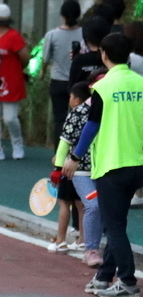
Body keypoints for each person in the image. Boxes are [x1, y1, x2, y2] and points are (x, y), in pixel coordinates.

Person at [67, 34, 143, 297]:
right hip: (139, 163)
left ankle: (127, 282)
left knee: (114, 227)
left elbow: (93, 125)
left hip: (112, 165)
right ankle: (103, 277)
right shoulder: (141, 83)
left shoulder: (103, 86)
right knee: (117, 223)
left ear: (103, 55)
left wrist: (74, 157)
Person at [56, 82, 102, 267]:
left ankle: (83, 241)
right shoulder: (79, 113)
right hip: (79, 170)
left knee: (88, 206)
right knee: (92, 204)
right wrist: (59, 168)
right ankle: (90, 248)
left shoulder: (115, 109)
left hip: (106, 167)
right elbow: (65, 142)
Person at [0, 4, 27, 161]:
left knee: (10, 117)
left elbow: (25, 57)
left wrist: (16, 70)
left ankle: (17, 144)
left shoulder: (14, 36)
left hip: (12, 81)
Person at [41, 0, 84, 142]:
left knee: (60, 120)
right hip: (79, 82)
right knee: (80, 118)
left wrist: (42, 73)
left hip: (58, 81)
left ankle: (59, 156)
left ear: (62, 15)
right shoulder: (84, 34)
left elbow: (46, 58)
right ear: (79, 15)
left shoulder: (52, 35)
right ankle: (78, 153)